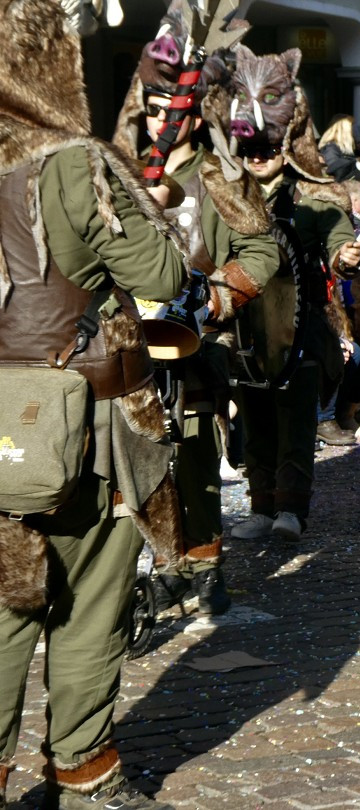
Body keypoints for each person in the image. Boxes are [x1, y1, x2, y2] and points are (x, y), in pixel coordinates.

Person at [0, 2, 188, 806]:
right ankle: (80, 770)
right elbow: (163, 277)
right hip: (80, 422)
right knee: (87, 603)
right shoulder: (74, 164)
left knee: (4, 605)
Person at [119, 76, 279, 617]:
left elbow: (261, 248)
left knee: (193, 462)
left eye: (170, 110)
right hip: (123, 345)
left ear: (190, 116)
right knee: (135, 466)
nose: (159, 123)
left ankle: (206, 567)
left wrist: (216, 299)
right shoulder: (119, 171)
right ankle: (163, 566)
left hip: (193, 340)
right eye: (151, 112)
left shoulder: (218, 176)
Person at [224, 48, 360, 543]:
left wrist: (345, 255)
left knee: (295, 423)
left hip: (301, 325)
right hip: (241, 328)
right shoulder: (227, 192)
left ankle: (292, 508)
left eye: (269, 147)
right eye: (252, 148)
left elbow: (337, 237)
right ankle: (260, 506)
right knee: (255, 423)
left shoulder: (315, 194)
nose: (259, 157)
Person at [318, 114, 360, 183]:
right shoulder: (331, 148)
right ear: (344, 130)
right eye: (352, 127)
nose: (355, 131)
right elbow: (335, 172)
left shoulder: (342, 149)